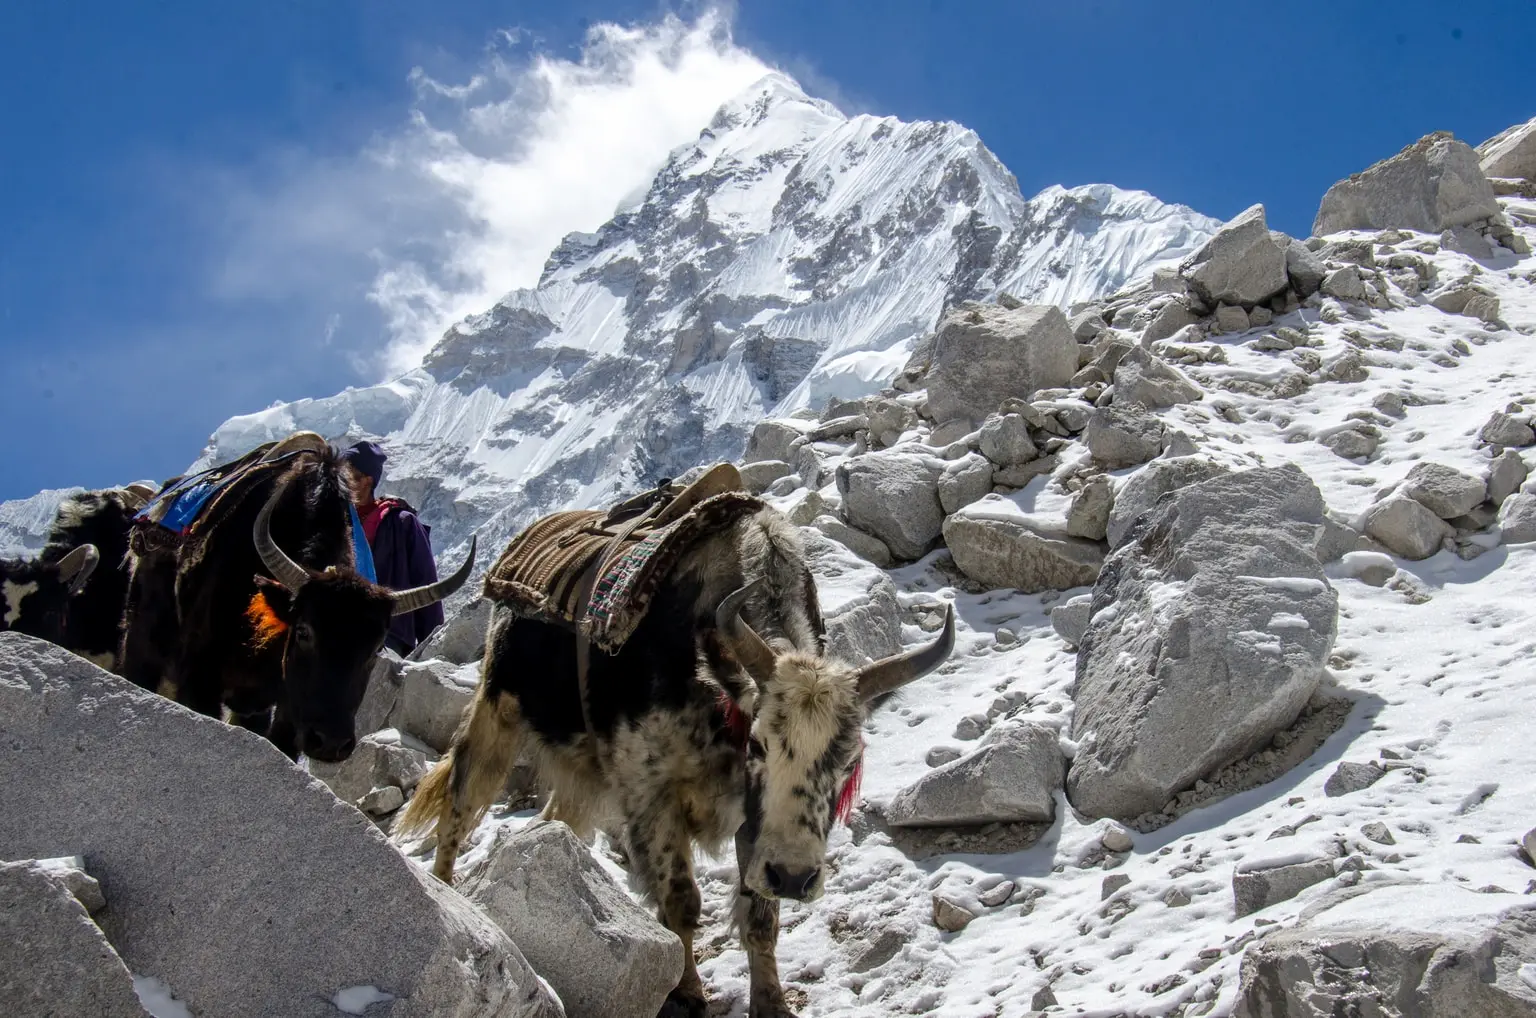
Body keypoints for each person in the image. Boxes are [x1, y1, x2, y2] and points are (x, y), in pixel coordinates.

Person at [340, 440, 444, 656]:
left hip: (390, 634)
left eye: (348, 478)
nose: (341, 485)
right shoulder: (337, 523)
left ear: (368, 480)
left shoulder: (401, 522)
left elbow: (425, 581)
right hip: (340, 631)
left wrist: (432, 649)